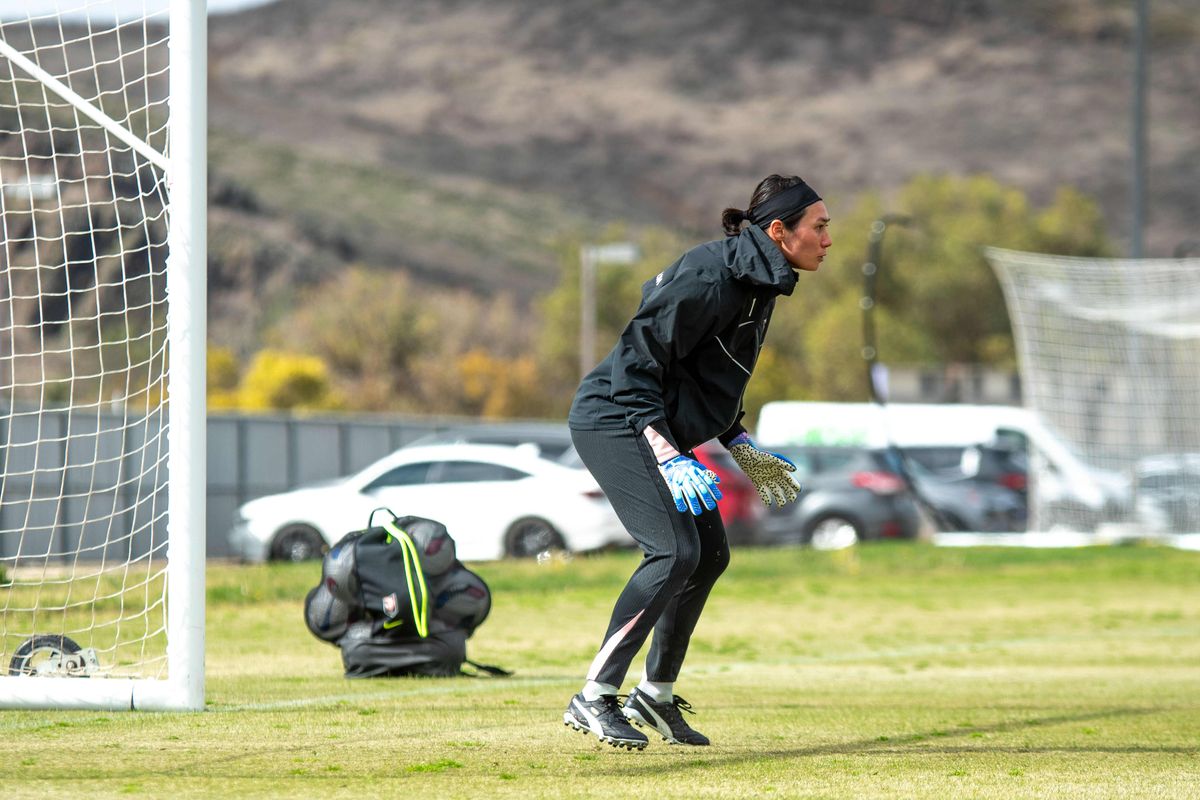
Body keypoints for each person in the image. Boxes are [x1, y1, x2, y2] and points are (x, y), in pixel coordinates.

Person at [562, 174, 833, 749]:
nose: (828, 239)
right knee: (673, 550)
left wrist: (741, 446)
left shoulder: (761, 281)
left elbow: (705, 380)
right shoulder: (712, 275)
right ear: (780, 231)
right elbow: (634, 366)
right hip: (615, 417)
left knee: (708, 553)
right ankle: (594, 697)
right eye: (820, 226)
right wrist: (668, 453)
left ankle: (654, 696)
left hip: (656, 421)